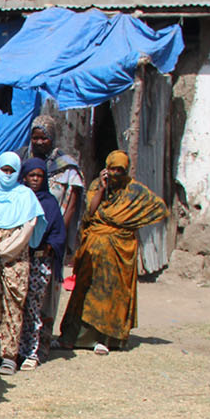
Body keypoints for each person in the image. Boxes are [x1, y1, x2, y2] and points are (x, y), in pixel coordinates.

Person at [59, 150, 168, 355]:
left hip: (120, 251)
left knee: (110, 294)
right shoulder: (96, 186)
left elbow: (158, 208)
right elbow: (90, 212)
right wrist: (102, 188)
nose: (116, 173)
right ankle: (75, 337)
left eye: (120, 170)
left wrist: (131, 224)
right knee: (85, 292)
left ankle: (104, 338)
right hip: (93, 250)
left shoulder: (134, 192)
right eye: (112, 169)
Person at [17, 114, 84, 346]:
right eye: (35, 137)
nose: (39, 142)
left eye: (44, 138)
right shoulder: (20, 159)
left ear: (52, 137)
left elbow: (71, 204)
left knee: (46, 291)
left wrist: (56, 236)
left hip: (51, 238)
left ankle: (42, 339)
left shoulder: (66, 167)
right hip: (22, 238)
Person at [0, 152, 45, 376]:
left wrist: (2, 251)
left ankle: (9, 356)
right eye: (4, 170)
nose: (7, 175)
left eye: (11, 171)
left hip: (14, 260)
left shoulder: (26, 196)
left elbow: (27, 230)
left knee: (13, 304)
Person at [17, 157, 67, 370]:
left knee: (33, 308)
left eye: (39, 176)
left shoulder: (49, 203)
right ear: (25, 177)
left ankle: (31, 351)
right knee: (15, 305)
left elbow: (58, 234)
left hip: (39, 262)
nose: (35, 179)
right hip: (18, 259)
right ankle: (13, 351)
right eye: (31, 175)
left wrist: (45, 247)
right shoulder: (19, 198)